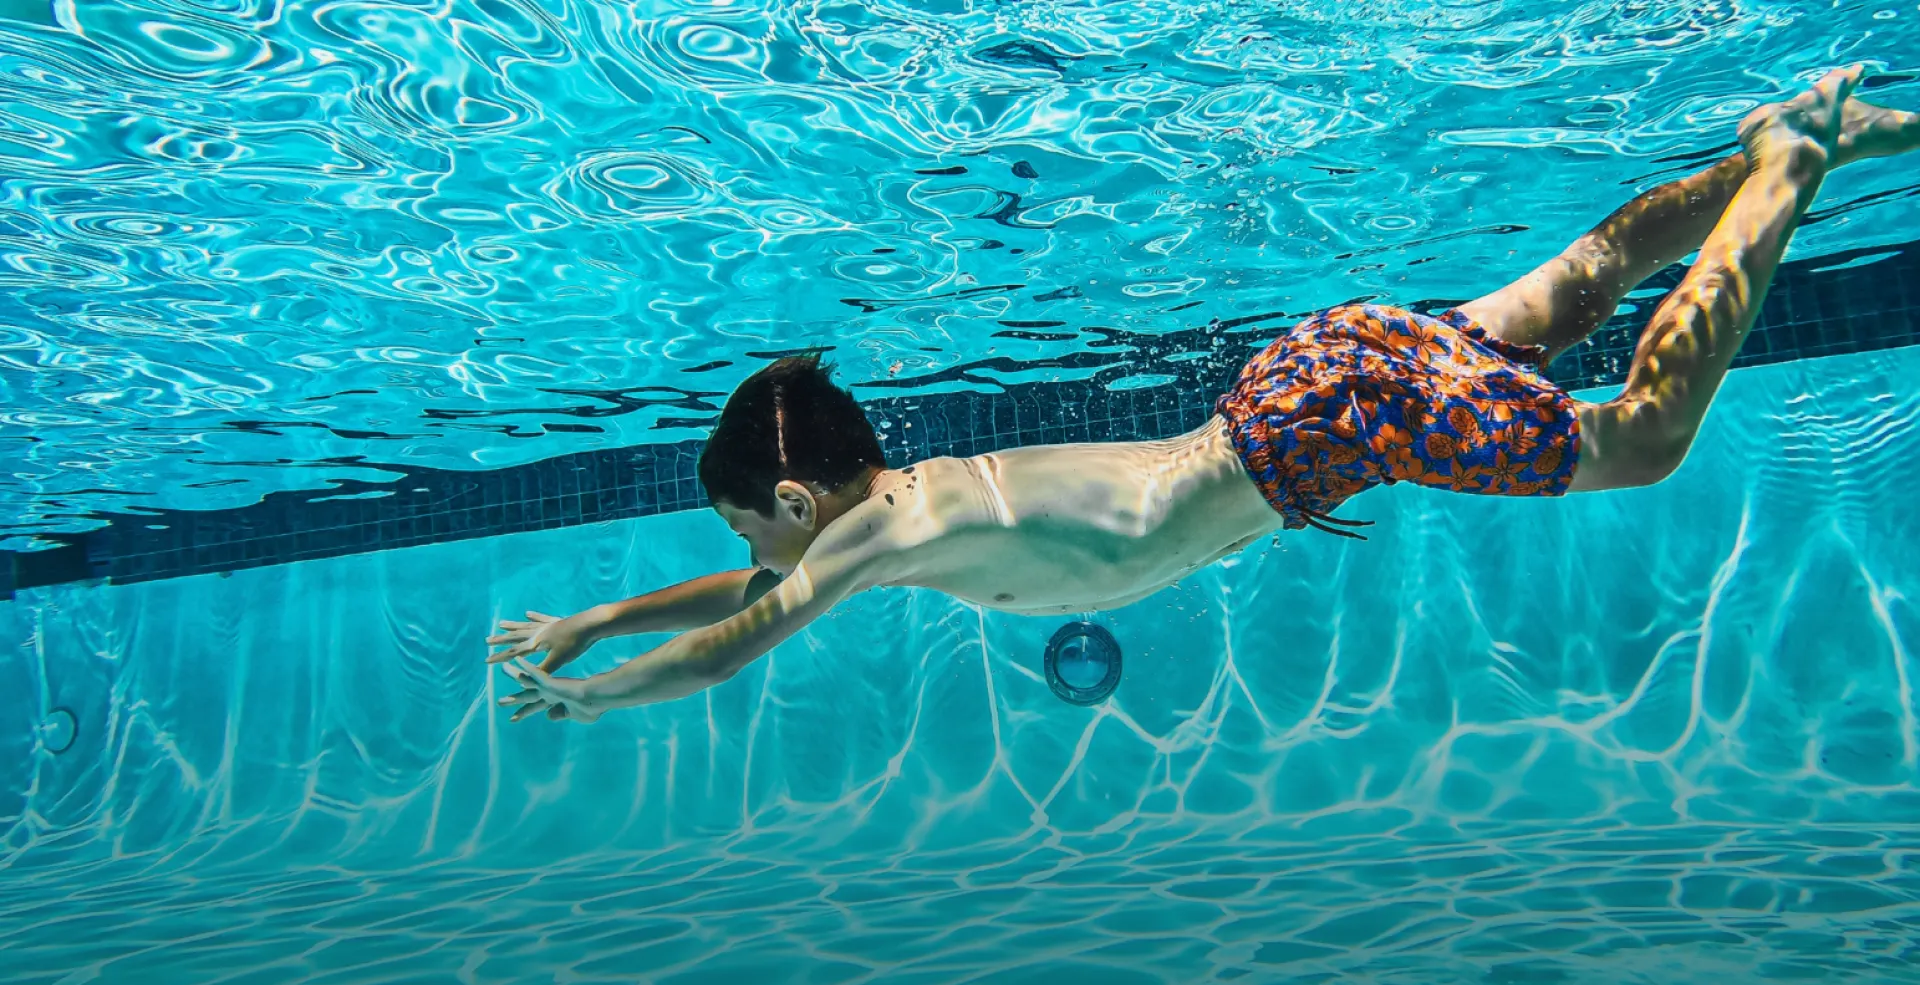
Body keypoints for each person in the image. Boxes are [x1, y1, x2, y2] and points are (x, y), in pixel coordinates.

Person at [490, 67, 1918, 722]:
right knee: (1589, 276)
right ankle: (1814, 147)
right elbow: (741, 598)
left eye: (755, 533)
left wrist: (605, 692)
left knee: (1644, 443)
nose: (754, 562)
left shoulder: (871, 536)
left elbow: (738, 641)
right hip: (1300, 386)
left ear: (798, 499)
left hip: (1315, 427)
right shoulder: (899, 517)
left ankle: (1784, 158)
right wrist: (599, 613)